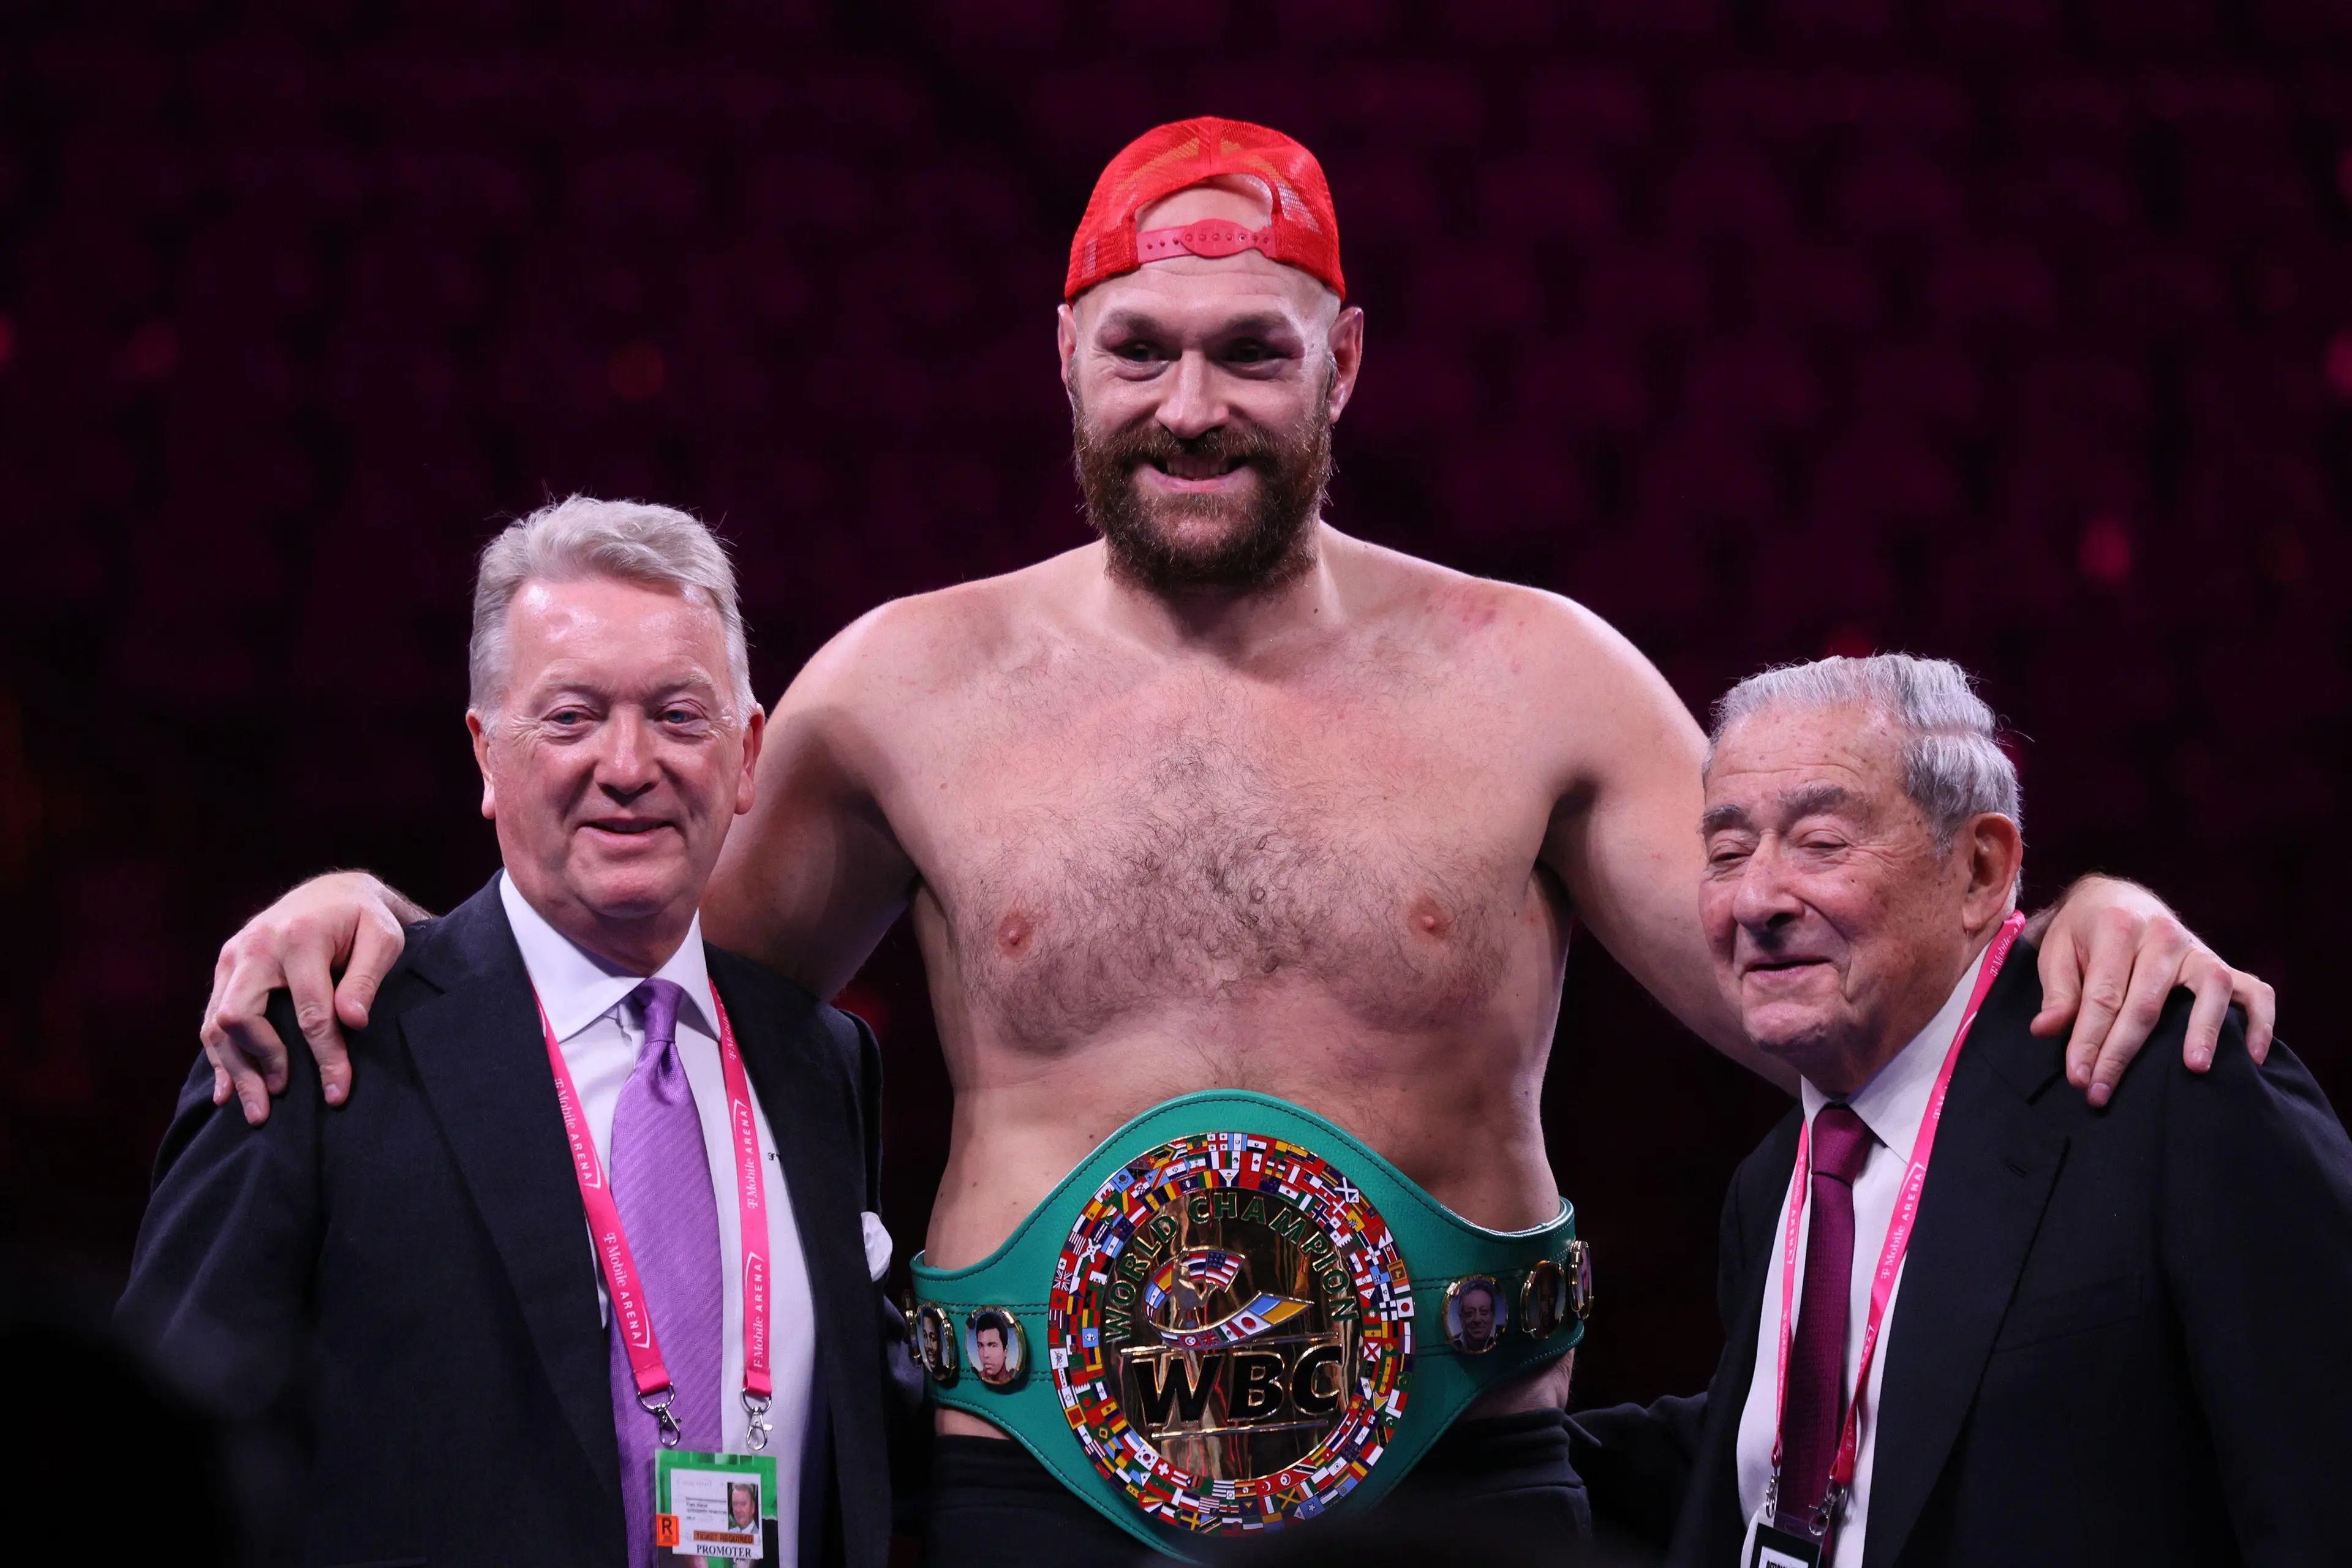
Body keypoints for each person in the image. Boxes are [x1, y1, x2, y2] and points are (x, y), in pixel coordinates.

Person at [197, 121, 2270, 1563]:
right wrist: (367, 917)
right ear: (1067, 358)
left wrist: (2077, 920)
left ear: (1342, 362)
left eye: (1252, 353)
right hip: (1021, 1501)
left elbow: (1817, 983)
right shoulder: (899, 686)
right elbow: (612, 983)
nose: (1192, 406)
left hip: (1457, 1502)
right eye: (1144, 351)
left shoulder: (1538, 673)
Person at [121, 499, 921, 1567]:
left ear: (746, 756)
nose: (628, 765)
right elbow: (155, 1461)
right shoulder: (321, 1042)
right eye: (571, 717)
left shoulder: (822, 1062)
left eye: (679, 716)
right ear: (487, 755)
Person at [1569, 654, 2352, 1567]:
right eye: (1728, 853)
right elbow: (1827, 1455)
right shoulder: (1773, 1182)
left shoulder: (2178, 1088)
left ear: (1980, 870)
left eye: (1821, 842)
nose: (1757, 900)